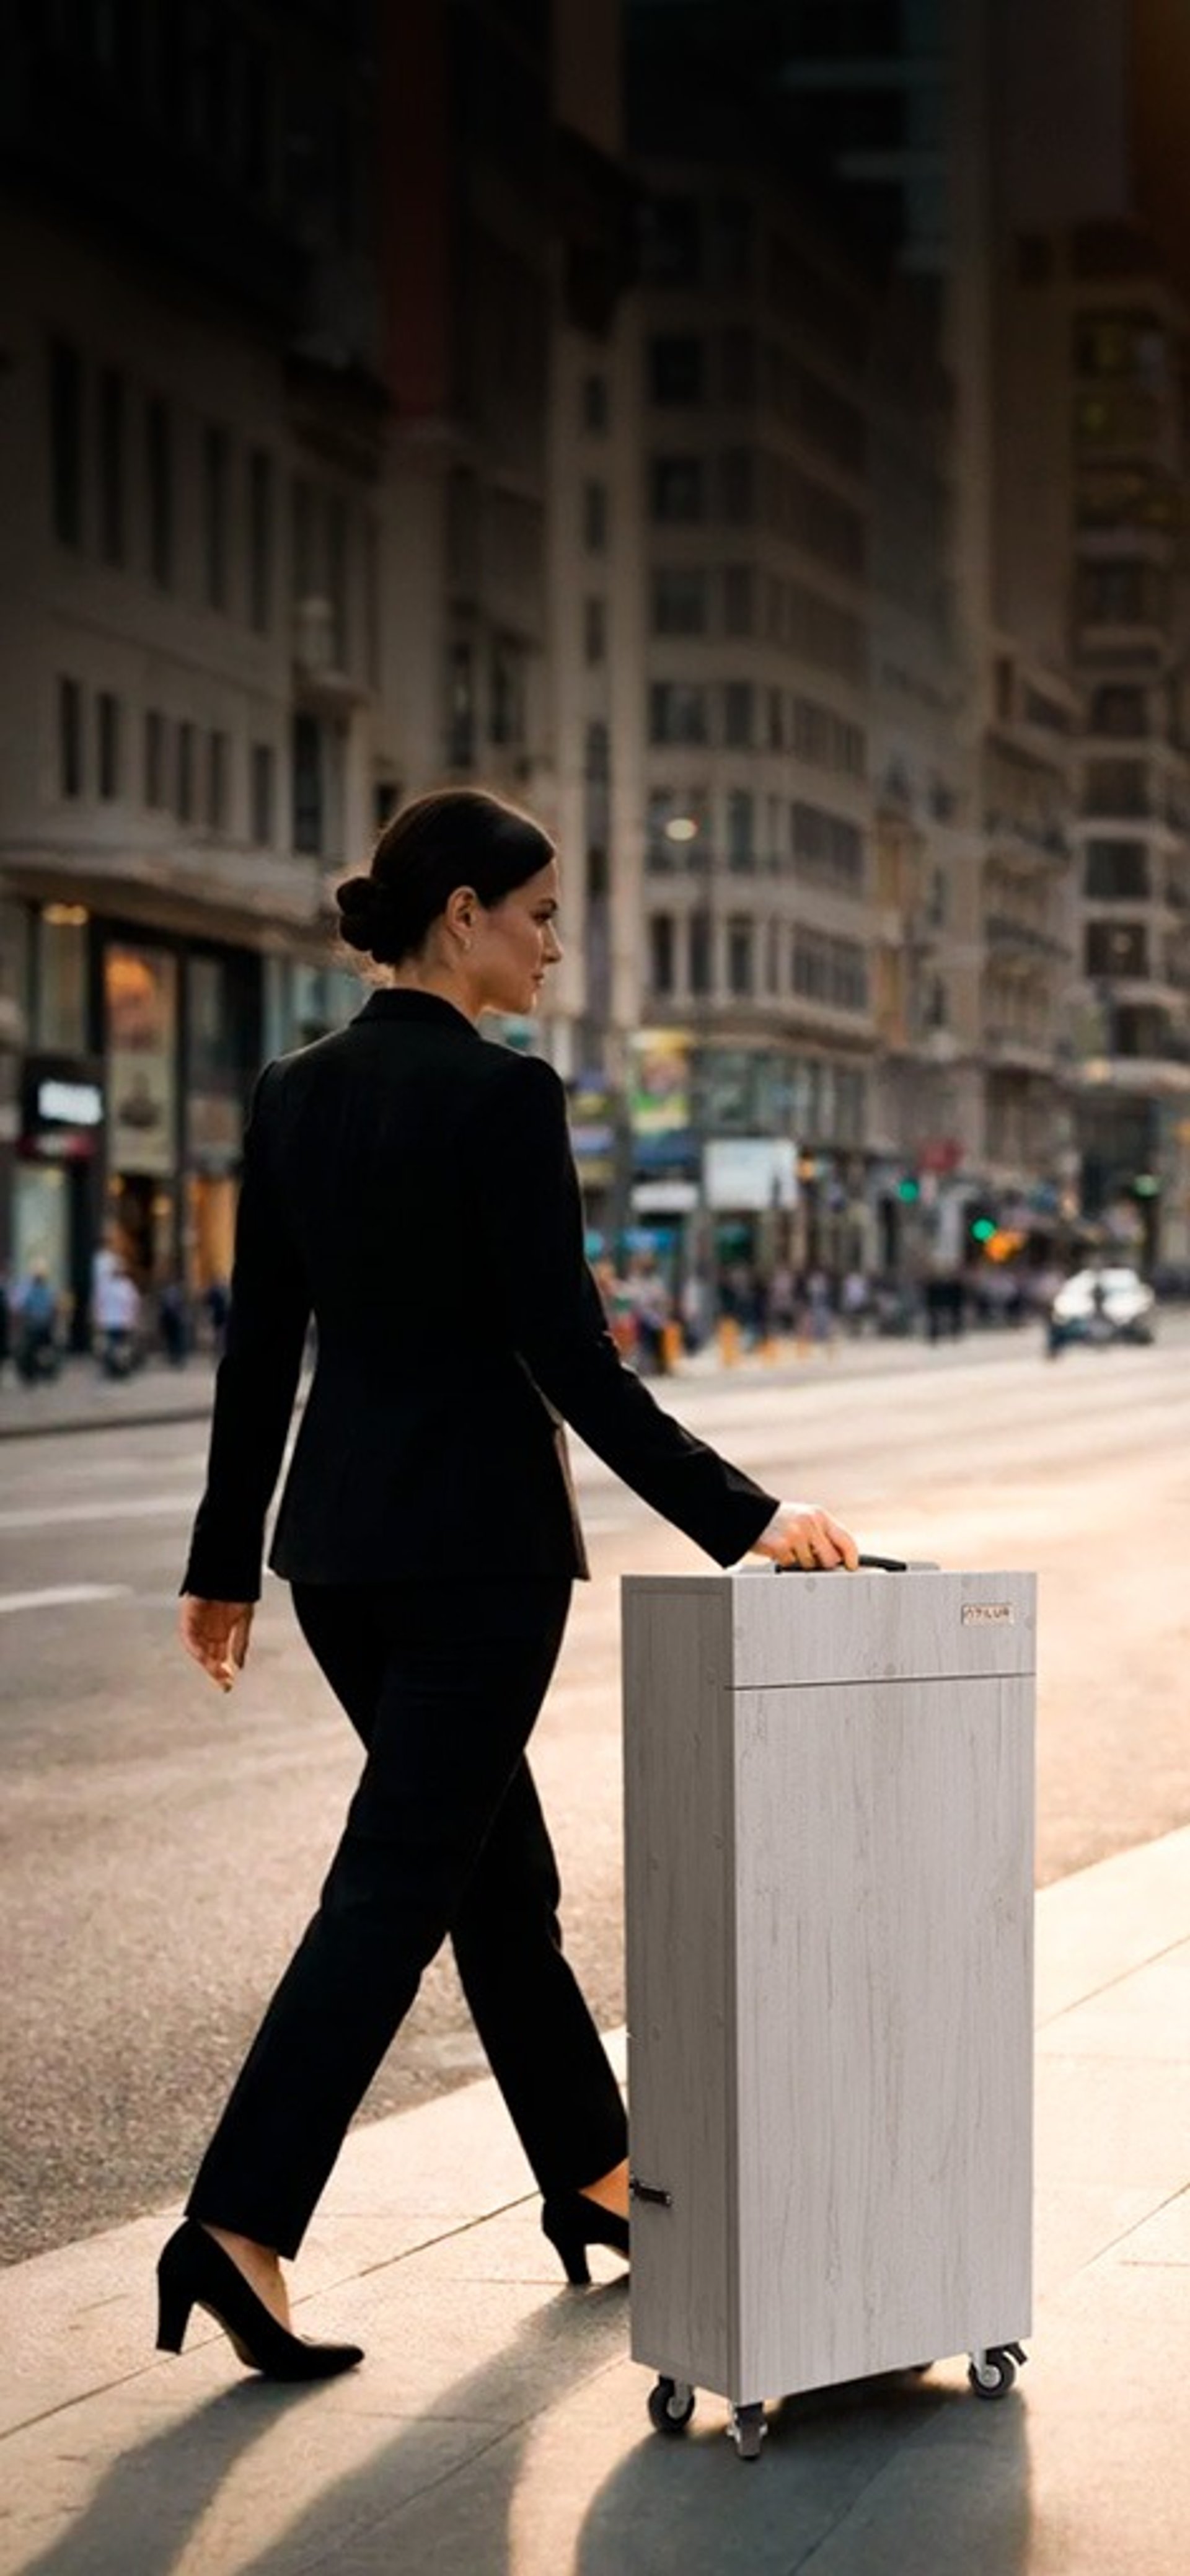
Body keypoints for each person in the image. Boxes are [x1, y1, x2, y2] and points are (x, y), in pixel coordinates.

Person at [161, 787, 859, 2384]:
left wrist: (224, 1567)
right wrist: (748, 1518)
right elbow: (571, 1357)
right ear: (462, 914)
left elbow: (262, 1349)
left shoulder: (290, 1090)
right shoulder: (502, 1096)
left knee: (494, 1881)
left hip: (338, 1554)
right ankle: (240, 2221)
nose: (554, 945)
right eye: (539, 914)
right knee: (400, 1887)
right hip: (479, 1556)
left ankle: (600, 2181)